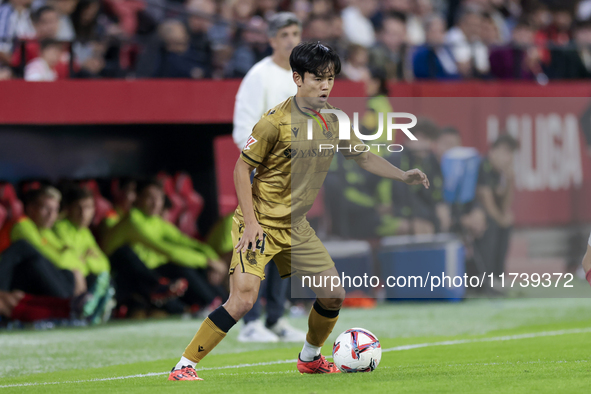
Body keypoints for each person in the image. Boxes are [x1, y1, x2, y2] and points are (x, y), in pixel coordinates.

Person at [168, 41, 429, 381]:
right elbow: (240, 170)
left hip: (296, 225)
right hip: (259, 221)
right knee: (243, 300)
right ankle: (184, 366)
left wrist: (401, 175)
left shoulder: (334, 119)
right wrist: (249, 223)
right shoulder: (273, 122)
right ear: (297, 78)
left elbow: (362, 155)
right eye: (318, 78)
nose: (325, 85)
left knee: (333, 294)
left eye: (331, 78)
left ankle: (310, 357)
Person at [231, 12, 306, 343]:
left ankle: (276, 318)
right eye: (284, 34)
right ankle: (250, 322)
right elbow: (242, 129)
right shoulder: (257, 77)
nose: (291, 39)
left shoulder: (302, 77)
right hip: (263, 177)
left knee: (284, 248)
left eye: (295, 33)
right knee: (254, 245)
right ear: (272, 39)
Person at [103, 179, 226, 311]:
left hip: (149, 271)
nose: (156, 203)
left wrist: (214, 259)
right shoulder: (133, 220)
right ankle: (209, 303)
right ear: (137, 198)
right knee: (182, 266)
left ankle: (222, 301)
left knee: (195, 266)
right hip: (123, 274)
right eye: (150, 197)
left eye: (160, 198)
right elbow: (166, 250)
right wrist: (207, 261)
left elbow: (187, 242)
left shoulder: (156, 221)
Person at [474, 134, 519, 278]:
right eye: (505, 152)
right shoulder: (483, 166)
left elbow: (504, 205)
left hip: (487, 213)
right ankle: (486, 276)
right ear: (493, 151)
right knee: (492, 222)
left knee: (506, 220)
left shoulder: (499, 173)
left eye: (511, 153)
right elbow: (487, 203)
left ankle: (499, 274)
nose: (508, 157)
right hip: (472, 211)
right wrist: (502, 219)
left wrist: (510, 180)